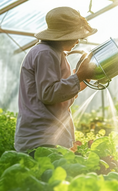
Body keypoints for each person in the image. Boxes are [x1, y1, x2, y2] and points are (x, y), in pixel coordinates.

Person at [14, 7, 97, 158]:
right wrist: (78, 76)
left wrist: (85, 78)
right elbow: (48, 94)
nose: (77, 41)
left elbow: (59, 97)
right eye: (74, 36)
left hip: (45, 137)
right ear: (62, 36)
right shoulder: (45, 53)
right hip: (41, 139)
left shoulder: (52, 53)